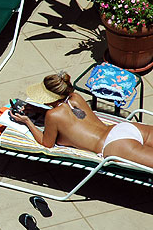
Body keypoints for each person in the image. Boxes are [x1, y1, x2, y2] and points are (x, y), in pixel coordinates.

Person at [9, 71, 153, 168]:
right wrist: (39, 110)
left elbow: (47, 143)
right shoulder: (76, 97)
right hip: (123, 128)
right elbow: (69, 115)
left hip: (114, 145)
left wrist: (27, 121)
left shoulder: (52, 116)